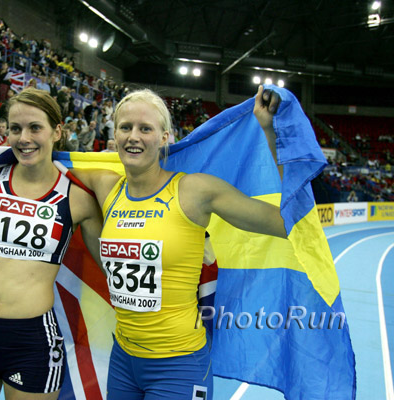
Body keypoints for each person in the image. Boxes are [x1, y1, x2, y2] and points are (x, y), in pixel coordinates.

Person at [70, 86, 285, 399]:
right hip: (123, 361)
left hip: (179, 365)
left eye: (145, 129)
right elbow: (50, 169)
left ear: (164, 137)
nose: (133, 137)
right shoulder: (106, 187)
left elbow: (282, 220)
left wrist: (269, 131)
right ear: (113, 134)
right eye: (125, 127)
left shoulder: (193, 191)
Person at [0, 88, 103, 400]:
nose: (24, 138)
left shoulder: (78, 197)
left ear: (57, 132)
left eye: (35, 128)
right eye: (15, 128)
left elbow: (111, 265)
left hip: (33, 342)